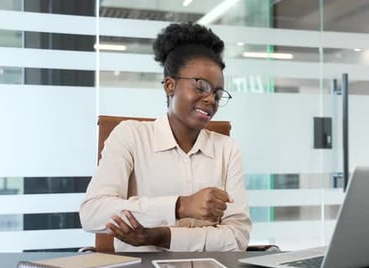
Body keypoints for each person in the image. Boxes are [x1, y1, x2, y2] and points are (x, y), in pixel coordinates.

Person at [79, 22, 252, 252]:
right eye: (201, 87)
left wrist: (162, 236)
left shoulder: (227, 149)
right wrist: (180, 206)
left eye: (218, 94)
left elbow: (238, 237)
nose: (211, 99)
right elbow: (93, 213)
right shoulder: (130, 135)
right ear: (170, 85)